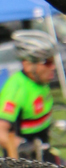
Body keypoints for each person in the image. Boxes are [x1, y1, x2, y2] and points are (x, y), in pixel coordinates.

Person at [0, 29, 58, 158]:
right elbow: (1, 131)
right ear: (27, 65)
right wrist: (22, 146)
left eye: (53, 61)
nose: (53, 67)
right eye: (47, 63)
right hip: (24, 162)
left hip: (43, 152)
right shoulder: (16, 89)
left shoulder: (40, 82)